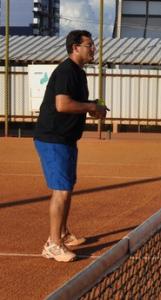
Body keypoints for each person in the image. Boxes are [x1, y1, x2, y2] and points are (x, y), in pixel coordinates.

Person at [33, 30, 109, 262]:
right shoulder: (67, 71)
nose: (93, 48)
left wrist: (93, 108)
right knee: (62, 191)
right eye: (89, 45)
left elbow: (76, 104)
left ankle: (63, 234)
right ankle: (53, 244)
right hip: (53, 138)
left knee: (67, 188)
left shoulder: (78, 73)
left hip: (65, 138)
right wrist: (90, 107)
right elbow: (63, 105)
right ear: (75, 47)